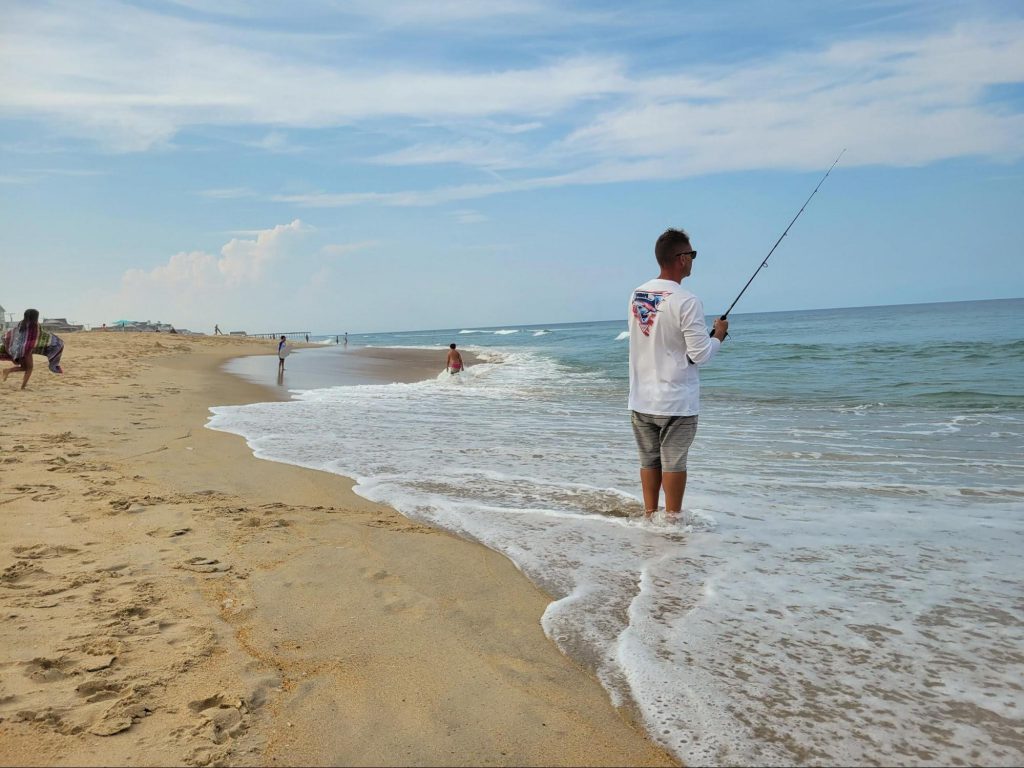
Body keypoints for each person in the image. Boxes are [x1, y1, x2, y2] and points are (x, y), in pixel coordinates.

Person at [628, 228, 728, 522]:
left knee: (649, 460)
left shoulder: (637, 294)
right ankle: (672, 523)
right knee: (674, 463)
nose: (693, 260)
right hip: (676, 402)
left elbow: (655, 337)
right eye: (692, 255)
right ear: (682, 258)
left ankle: (649, 516)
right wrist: (719, 336)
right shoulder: (686, 300)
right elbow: (701, 354)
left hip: (641, 397)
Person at [1, 309, 65, 389]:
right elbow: (38, 336)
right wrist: (54, 340)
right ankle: (23, 387)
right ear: (35, 317)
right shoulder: (35, 325)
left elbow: (15, 334)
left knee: (24, 367)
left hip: (18, 350)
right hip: (26, 350)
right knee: (29, 368)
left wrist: (12, 350)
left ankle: (7, 371)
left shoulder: (21, 323)